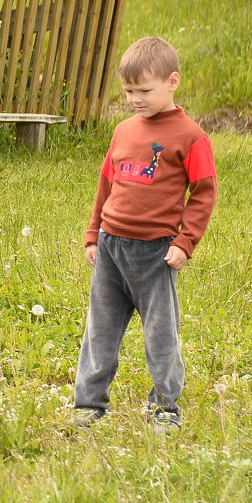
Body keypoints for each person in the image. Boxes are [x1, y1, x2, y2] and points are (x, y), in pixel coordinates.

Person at [73, 36, 218, 433]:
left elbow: (203, 193)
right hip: (110, 247)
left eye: (145, 90)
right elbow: (106, 184)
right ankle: (88, 404)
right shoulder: (123, 131)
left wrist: (185, 243)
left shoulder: (191, 137)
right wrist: (92, 234)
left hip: (156, 253)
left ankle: (165, 407)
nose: (136, 99)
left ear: (172, 81)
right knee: (99, 331)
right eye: (129, 91)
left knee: (160, 335)